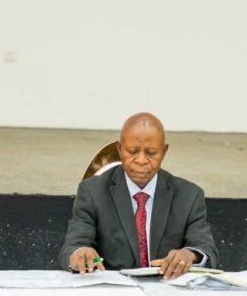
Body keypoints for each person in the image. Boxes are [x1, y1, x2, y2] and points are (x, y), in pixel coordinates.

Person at [59, 112, 219, 279]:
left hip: (167, 290)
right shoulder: (93, 191)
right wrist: (80, 253)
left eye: (151, 152)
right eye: (132, 151)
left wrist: (190, 255)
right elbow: (72, 246)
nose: (141, 160)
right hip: (113, 292)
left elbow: (207, 251)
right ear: (119, 149)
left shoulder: (189, 196)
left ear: (164, 152)